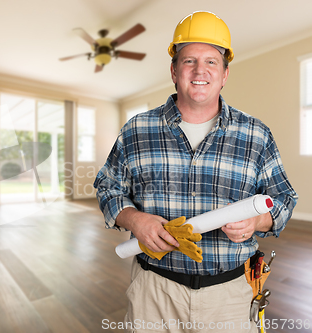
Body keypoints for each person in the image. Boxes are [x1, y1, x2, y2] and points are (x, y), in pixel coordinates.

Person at [94, 11, 298, 333]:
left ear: (225, 74)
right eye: (189, 61)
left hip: (230, 294)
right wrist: (135, 219)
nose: (200, 70)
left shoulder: (256, 134)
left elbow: (284, 199)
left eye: (211, 62)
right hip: (154, 291)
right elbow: (107, 187)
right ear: (174, 71)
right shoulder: (137, 130)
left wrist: (257, 221)